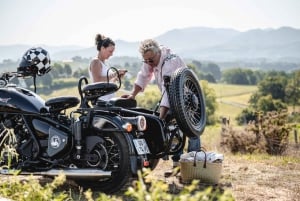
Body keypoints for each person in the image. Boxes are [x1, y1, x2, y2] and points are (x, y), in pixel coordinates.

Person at [121, 39, 200, 170]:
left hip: (186, 96)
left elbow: (167, 92)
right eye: (145, 61)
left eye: (150, 60)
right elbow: (143, 75)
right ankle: (177, 164)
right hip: (172, 97)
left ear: (158, 53)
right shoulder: (150, 57)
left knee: (190, 130)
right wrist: (132, 95)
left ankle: (194, 165)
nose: (149, 63)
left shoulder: (170, 62)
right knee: (172, 129)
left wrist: (160, 118)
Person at [89, 33, 127, 101]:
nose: (111, 54)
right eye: (110, 51)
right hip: (101, 101)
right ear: (103, 48)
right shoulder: (96, 62)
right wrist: (115, 73)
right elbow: (97, 81)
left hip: (109, 100)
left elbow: (107, 81)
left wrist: (117, 77)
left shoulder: (105, 64)